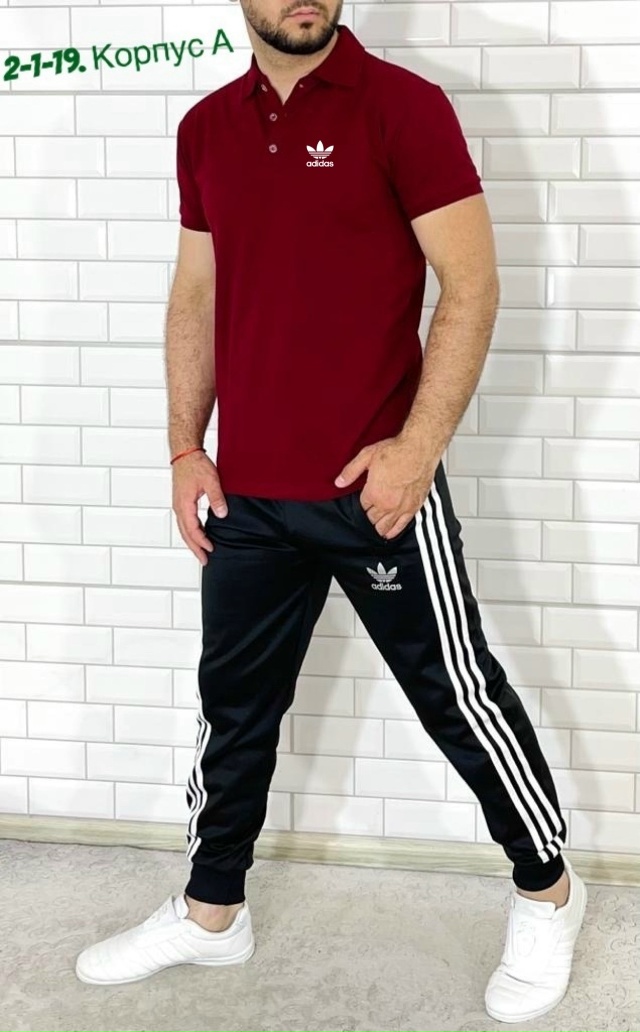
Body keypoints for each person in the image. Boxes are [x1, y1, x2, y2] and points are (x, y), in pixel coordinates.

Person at [75, 0, 587, 1021]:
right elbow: (195, 295)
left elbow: (472, 287)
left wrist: (416, 450)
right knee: (233, 710)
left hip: (376, 490)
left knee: (458, 698)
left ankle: (548, 892)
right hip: (249, 493)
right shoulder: (206, 129)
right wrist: (185, 446)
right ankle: (212, 912)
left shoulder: (403, 107)